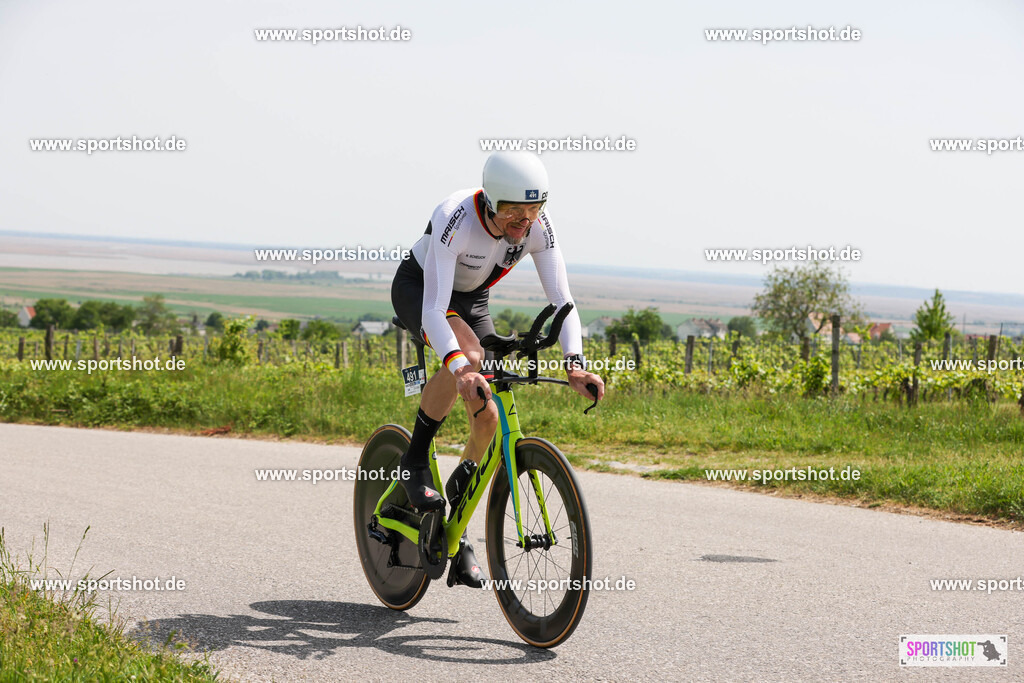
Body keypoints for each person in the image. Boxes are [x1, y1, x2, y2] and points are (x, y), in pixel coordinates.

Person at [390, 151, 605, 587]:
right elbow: (434, 309)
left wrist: (575, 364)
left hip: (472, 303)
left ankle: (453, 532)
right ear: (490, 201)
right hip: (423, 291)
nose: (524, 221)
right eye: (513, 211)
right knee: (470, 359)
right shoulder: (455, 217)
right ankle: (413, 460)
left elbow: (563, 301)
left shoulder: (537, 226)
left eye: (534, 209)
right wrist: (459, 368)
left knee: (488, 418)